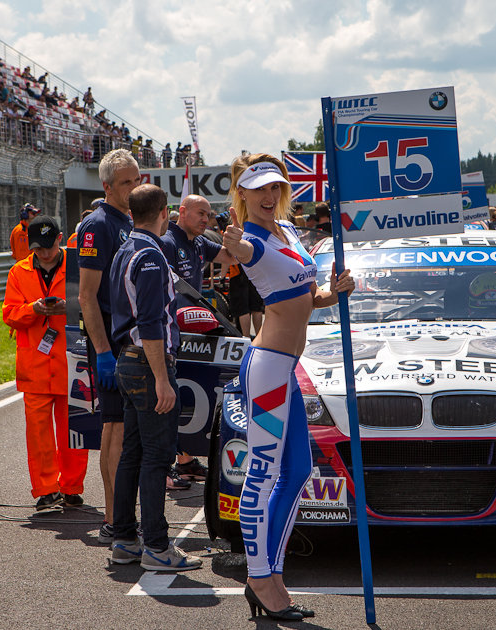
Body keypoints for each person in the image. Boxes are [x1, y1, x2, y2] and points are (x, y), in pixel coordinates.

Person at [221, 154, 353, 620]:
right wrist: (231, 243)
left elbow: (306, 297)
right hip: (268, 368)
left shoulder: (289, 231)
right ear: (242, 194)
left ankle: (272, 572)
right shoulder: (250, 238)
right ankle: (259, 578)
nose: (268, 195)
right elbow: (237, 251)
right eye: (257, 188)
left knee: (297, 471)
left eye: (274, 186)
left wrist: (334, 292)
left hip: (289, 366)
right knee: (261, 473)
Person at [105, 184, 203, 572]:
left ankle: (125, 540)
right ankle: (158, 547)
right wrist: (163, 379)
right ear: (164, 213)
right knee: (157, 456)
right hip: (147, 363)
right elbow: (150, 324)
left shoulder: (126, 249)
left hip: (128, 361)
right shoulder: (150, 255)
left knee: (133, 453)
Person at [3, 216, 88, 511]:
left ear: (61, 238)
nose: (45, 254)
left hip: (71, 362)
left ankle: (72, 487)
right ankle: (45, 489)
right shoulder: (19, 271)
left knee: (72, 432)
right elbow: (9, 314)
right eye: (38, 250)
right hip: (35, 364)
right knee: (39, 435)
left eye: (49, 248)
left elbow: (95, 307)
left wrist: (70, 309)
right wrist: (34, 309)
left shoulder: (78, 268)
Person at [76, 149, 138, 544]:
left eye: (136, 180)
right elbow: (86, 296)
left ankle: (127, 519)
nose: (133, 188)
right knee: (113, 434)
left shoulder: (129, 221)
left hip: (134, 344)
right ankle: (115, 523)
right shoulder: (97, 226)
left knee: (131, 435)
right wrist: (102, 352)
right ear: (107, 186)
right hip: (112, 349)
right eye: (126, 183)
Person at [160, 194, 237, 486]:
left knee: (186, 396)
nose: (206, 219)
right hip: (170, 330)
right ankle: (166, 466)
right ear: (182, 212)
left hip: (191, 327)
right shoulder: (168, 241)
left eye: (208, 214)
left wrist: (235, 232)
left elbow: (230, 258)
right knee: (169, 399)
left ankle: (186, 460)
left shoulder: (200, 241)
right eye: (200, 213)